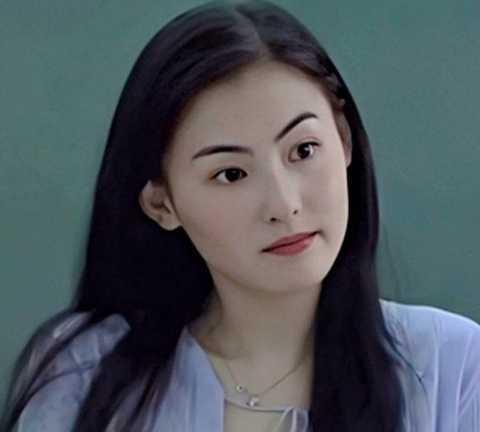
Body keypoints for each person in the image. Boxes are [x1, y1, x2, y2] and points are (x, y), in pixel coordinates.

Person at [1, 0, 479, 431]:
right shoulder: (84, 374)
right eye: (230, 174)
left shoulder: (452, 365)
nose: (284, 204)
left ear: (344, 139)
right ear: (162, 204)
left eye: (304, 150)